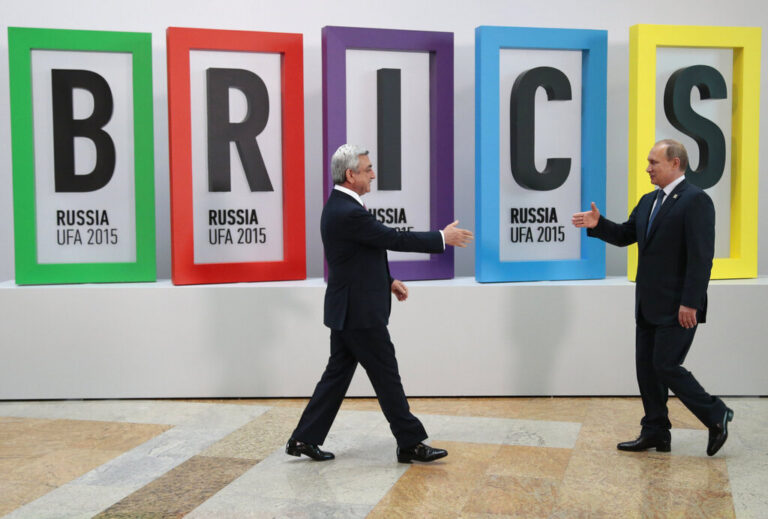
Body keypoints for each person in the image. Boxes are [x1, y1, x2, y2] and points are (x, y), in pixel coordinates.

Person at [286, 144, 473, 463]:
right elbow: (392, 238)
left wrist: (387, 281)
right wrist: (441, 238)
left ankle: (303, 438)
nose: (373, 173)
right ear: (351, 175)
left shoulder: (341, 207)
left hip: (348, 309)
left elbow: (356, 256)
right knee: (387, 376)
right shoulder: (347, 211)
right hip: (359, 314)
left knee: (336, 376)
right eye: (368, 169)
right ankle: (410, 442)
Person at [571, 139, 732, 456]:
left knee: (665, 365)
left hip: (679, 306)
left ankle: (716, 414)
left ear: (675, 163)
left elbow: (701, 258)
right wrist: (598, 224)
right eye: (648, 162)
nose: (648, 168)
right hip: (647, 304)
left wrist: (691, 302)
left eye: (653, 162)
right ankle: (656, 431)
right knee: (646, 368)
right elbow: (625, 235)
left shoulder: (696, 201)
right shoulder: (647, 201)